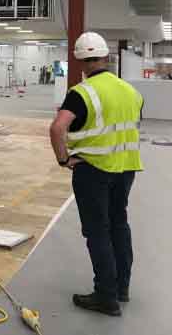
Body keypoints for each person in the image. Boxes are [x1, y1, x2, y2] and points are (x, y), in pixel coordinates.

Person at [49, 32, 143, 317]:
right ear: (107, 58)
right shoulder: (130, 91)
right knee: (119, 225)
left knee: (97, 231)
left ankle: (106, 296)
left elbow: (57, 128)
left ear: (80, 61)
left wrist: (64, 159)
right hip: (126, 168)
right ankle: (121, 288)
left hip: (93, 171)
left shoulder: (82, 92)